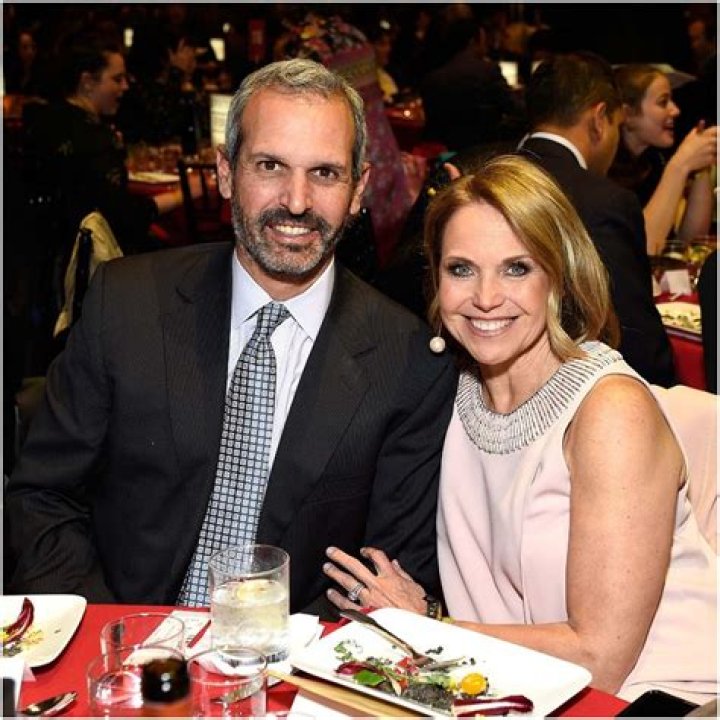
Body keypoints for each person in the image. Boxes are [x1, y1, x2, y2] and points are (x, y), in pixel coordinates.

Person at [5, 59, 457, 618]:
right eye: (270, 166)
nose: (296, 201)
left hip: (294, 659)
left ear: (358, 189)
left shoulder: (409, 361)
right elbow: (42, 496)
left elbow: (389, 577)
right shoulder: (126, 303)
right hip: (121, 634)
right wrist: (112, 633)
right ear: (224, 172)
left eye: (324, 173)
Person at [322, 154, 717, 704]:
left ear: (559, 276)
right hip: (508, 688)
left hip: (655, 698)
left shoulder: (609, 413)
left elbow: (600, 659)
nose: (486, 298)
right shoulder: (446, 389)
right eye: (461, 269)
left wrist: (426, 626)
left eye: (516, 268)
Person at [518, 52, 676, 388]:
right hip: (577, 392)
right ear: (600, 119)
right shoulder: (604, 202)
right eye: (617, 125)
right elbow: (638, 343)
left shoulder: (478, 167)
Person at [22, 27, 189, 255]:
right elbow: (126, 218)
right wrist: (181, 195)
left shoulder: (44, 119)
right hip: (90, 261)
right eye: (117, 79)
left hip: (42, 255)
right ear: (87, 82)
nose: (125, 87)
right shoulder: (94, 138)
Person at [609, 64, 717, 256]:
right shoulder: (605, 172)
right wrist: (680, 165)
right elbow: (640, 250)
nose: (675, 110)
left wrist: (701, 167)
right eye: (663, 102)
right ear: (628, 115)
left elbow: (691, 243)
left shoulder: (655, 160)